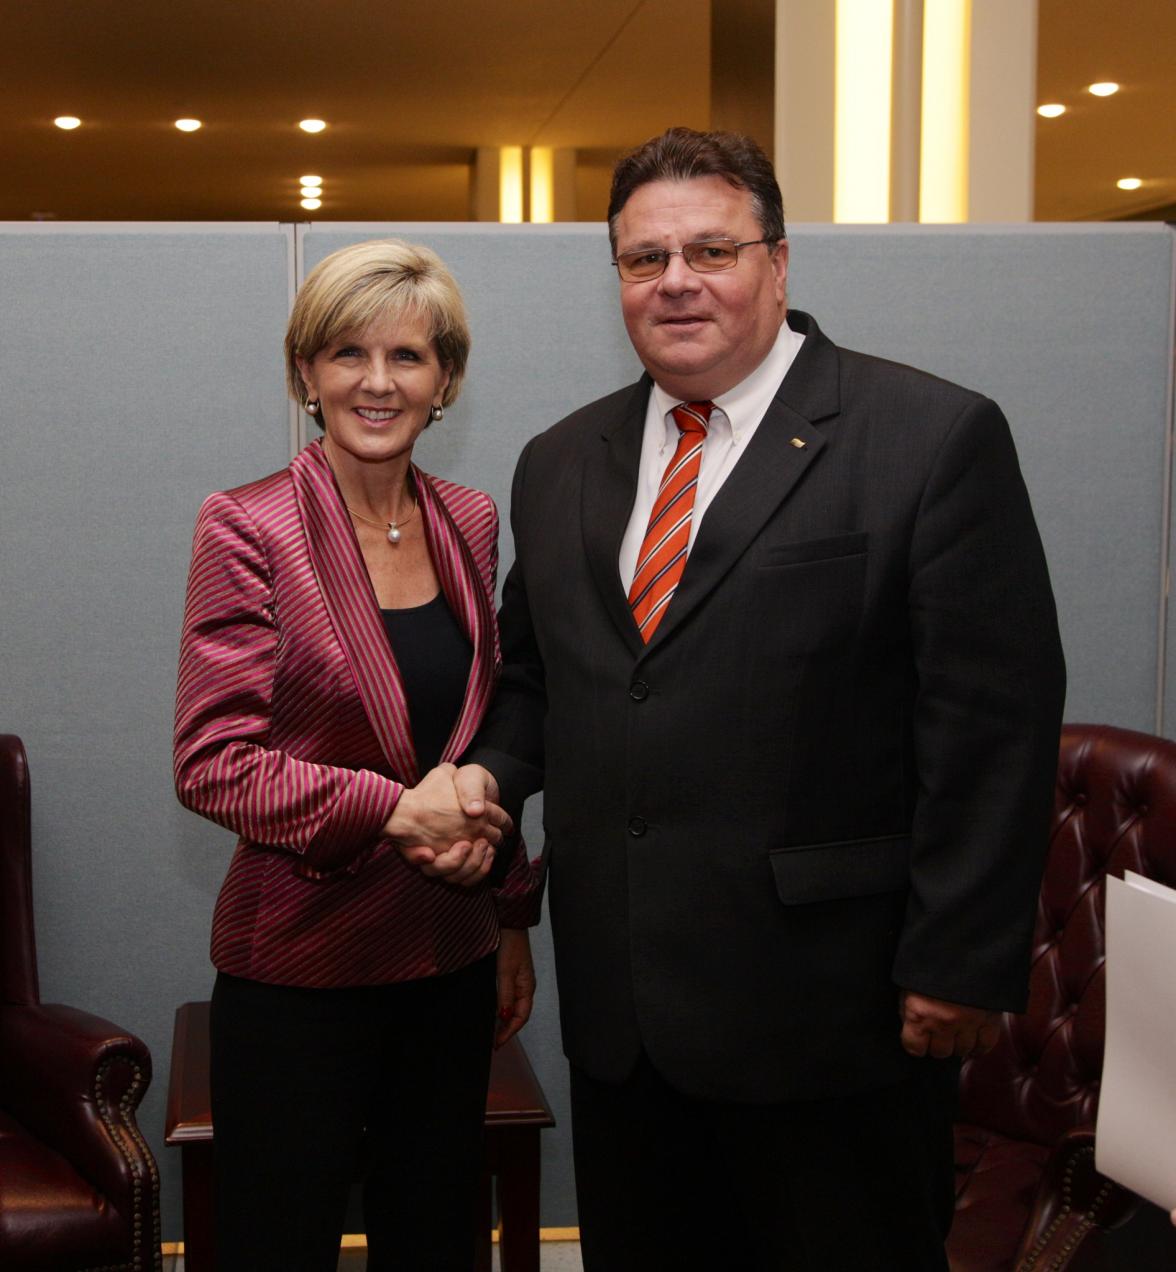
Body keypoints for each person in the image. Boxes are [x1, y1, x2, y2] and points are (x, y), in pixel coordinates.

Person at [455, 128, 1066, 1270]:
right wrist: (487, 780)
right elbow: (544, 678)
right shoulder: (561, 461)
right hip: (626, 1018)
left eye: (711, 249)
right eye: (644, 260)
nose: (676, 280)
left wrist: (960, 960)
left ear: (778, 264)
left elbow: (992, 725)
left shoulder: (928, 438)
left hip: (835, 1017)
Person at [173, 238, 540, 1272]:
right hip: (302, 966)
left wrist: (509, 908)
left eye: (409, 357)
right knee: (279, 1243)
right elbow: (212, 758)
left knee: (435, 1239)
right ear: (306, 374)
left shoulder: (469, 520)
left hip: (449, 956)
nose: (377, 383)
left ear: (447, 380)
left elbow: (479, 734)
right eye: (346, 354)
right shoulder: (249, 525)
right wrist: (391, 810)